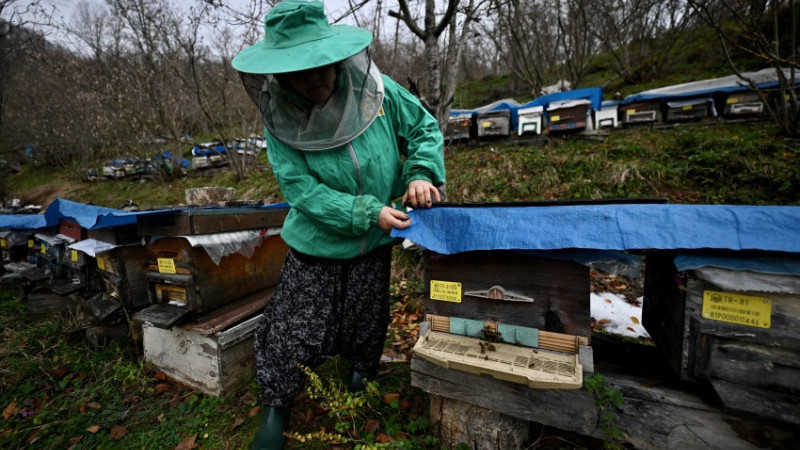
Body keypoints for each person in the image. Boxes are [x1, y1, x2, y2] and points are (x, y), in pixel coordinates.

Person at [231, 1, 446, 448]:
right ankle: (277, 406)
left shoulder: (379, 91)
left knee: (367, 317)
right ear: (282, 74)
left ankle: (361, 375)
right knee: (296, 328)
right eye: (301, 72)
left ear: (337, 59)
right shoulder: (280, 121)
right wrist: (367, 212)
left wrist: (420, 173)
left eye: (322, 68)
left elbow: (424, 129)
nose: (316, 81)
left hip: (376, 240)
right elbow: (301, 190)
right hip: (319, 242)